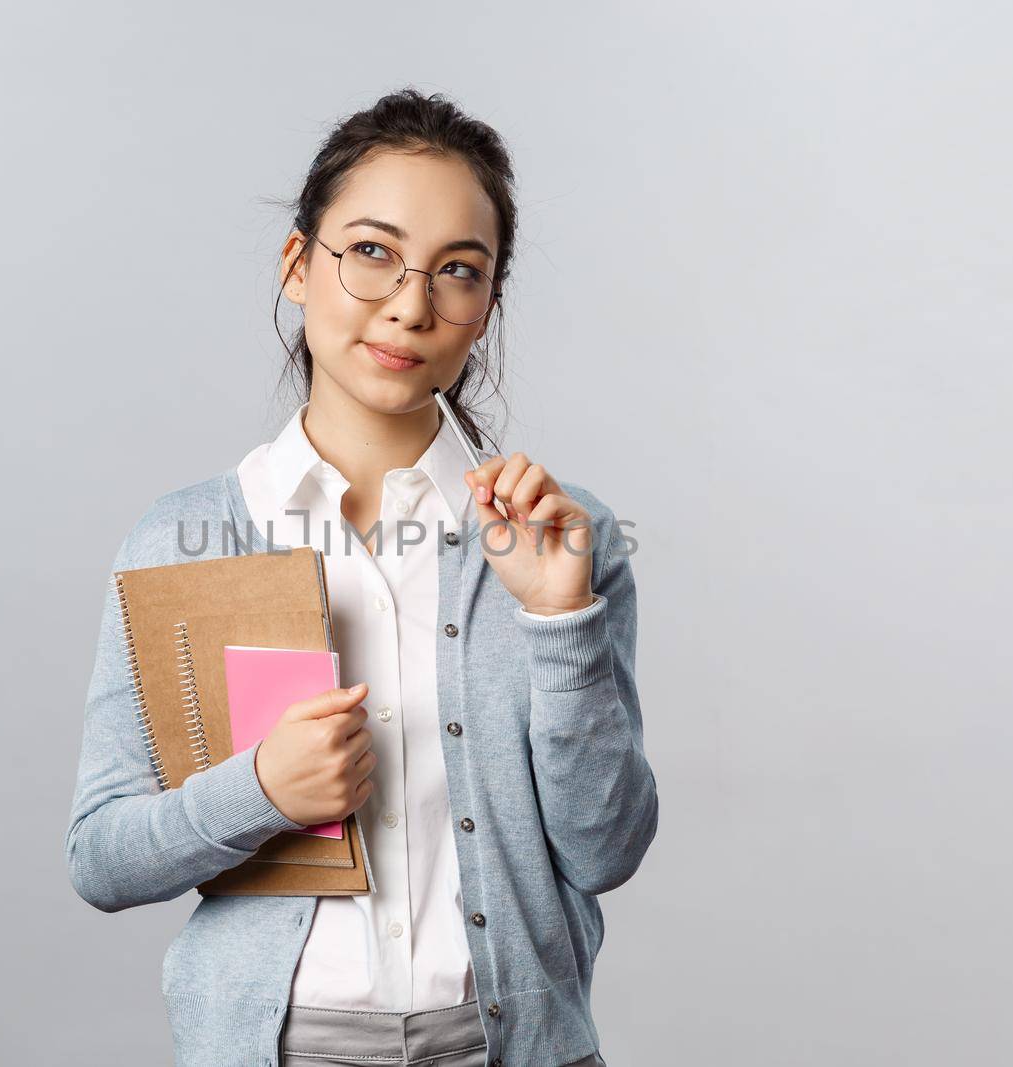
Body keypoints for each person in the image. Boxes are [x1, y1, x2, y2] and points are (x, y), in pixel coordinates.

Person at [65, 87, 657, 1067]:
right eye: (372, 251)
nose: (410, 304)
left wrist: (560, 621)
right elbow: (102, 856)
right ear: (300, 265)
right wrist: (258, 788)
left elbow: (607, 849)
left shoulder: (563, 535)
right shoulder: (183, 536)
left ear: (485, 308)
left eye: (457, 272)